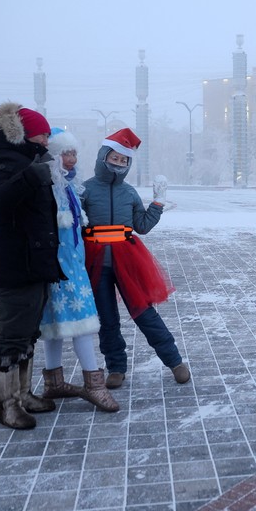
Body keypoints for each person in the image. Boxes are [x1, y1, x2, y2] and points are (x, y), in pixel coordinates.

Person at [80, 128, 190, 389]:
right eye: (114, 158)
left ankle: (174, 361)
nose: (118, 163)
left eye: (124, 160)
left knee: (144, 313)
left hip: (128, 259)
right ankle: (116, 367)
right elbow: (74, 223)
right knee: (107, 319)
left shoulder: (128, 193)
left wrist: (157, 204)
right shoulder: (85, 189)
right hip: (95, 262)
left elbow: (141, 226)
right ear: (103, 157)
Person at [0, 102, 61, 429]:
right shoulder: (0, 162)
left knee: (28, 334)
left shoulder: (28, 159)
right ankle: (7, 406)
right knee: (11, 336)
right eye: (42, 134)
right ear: (25, 134)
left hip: (34, 262)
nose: (46, 140)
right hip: (15, 265)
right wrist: (30, 177)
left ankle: (24, 394)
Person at [38, 128, 118, 412]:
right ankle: (93, 385)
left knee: (59, 324)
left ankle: (54, 382)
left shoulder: (69, 186)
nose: (71, 159)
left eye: (74, 153)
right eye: (65, 154)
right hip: (59, 268)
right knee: (75, 324)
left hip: (72, 265)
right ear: (54, 156)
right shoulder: (46, 186)